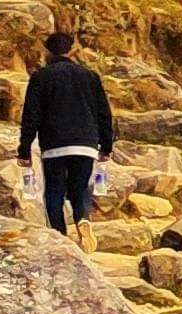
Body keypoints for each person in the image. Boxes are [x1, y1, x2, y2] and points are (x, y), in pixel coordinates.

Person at [15, 30, 116, 243]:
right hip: (86, 144)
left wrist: (24, 149)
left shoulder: (40, 77)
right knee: (80, 188)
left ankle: (60, 238)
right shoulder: (90, 76)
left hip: (54, 146)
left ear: (48, 52)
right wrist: (106, 146)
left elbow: (30, 116)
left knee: (54, 192)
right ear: (72, 51)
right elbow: (104, 114)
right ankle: (82, 218)